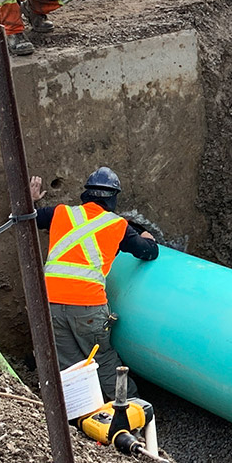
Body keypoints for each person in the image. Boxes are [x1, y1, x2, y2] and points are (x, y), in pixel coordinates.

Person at [31, 167, 158, 394]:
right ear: (113, 198)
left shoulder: (61, 213)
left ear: (86, 194)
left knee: (70, 363)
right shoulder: (118, 225)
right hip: (87, 306)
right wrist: (148, 239)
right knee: (103, 359)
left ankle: (83, 415)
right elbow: (148, 252)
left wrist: (31, 201)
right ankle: (130, 408)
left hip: (49, 303)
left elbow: (29, 219)